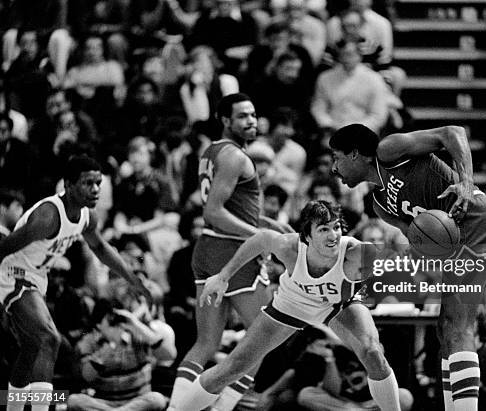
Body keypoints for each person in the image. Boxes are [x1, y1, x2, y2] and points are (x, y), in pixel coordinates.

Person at [329, 123, 486, 411]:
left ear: (355, 154)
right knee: (445, 329)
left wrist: (466, 182)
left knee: (458, 326)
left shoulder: (388, 151)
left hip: (478, 224)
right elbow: (421, 244)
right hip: (455, 242)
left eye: (336, 158)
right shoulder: (379, 205)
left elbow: (453, 133)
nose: (333, 169)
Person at [170, 200, 403, 411]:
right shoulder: (289, 247)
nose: (333, 235)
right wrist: (223, 277)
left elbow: (403, 265)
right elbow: (260, 239)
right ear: (307, 236)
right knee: (233, 367)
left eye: (336, 227)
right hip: (293, 303)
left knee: (373, 352)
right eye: (323, 229)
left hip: (339, 303)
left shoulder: (356, 252)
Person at [0, 154, 148, 411]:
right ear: (68, 185)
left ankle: (12, 407)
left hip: (36, 277)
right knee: (49, 338)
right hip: (12, 272)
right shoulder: (47, 217)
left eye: (98, 183)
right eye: (87, 183)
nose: (95, 189)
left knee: (32, 347)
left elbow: (101, 248)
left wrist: (132, 280)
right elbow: (4, 249)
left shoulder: (87, 217)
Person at [168, 93, 269, 410]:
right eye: (242, 116)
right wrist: (261, 237)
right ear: (225, 120)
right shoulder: (236, 157)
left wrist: (272, 228)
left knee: (207, 342)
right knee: (262, 337)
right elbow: (213, 211)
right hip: (232, 250)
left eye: (253, 114)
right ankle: (221, 408)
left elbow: (238, 210)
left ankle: (177, 407)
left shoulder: (211, 151)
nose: (250, 121)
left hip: (208, 248)